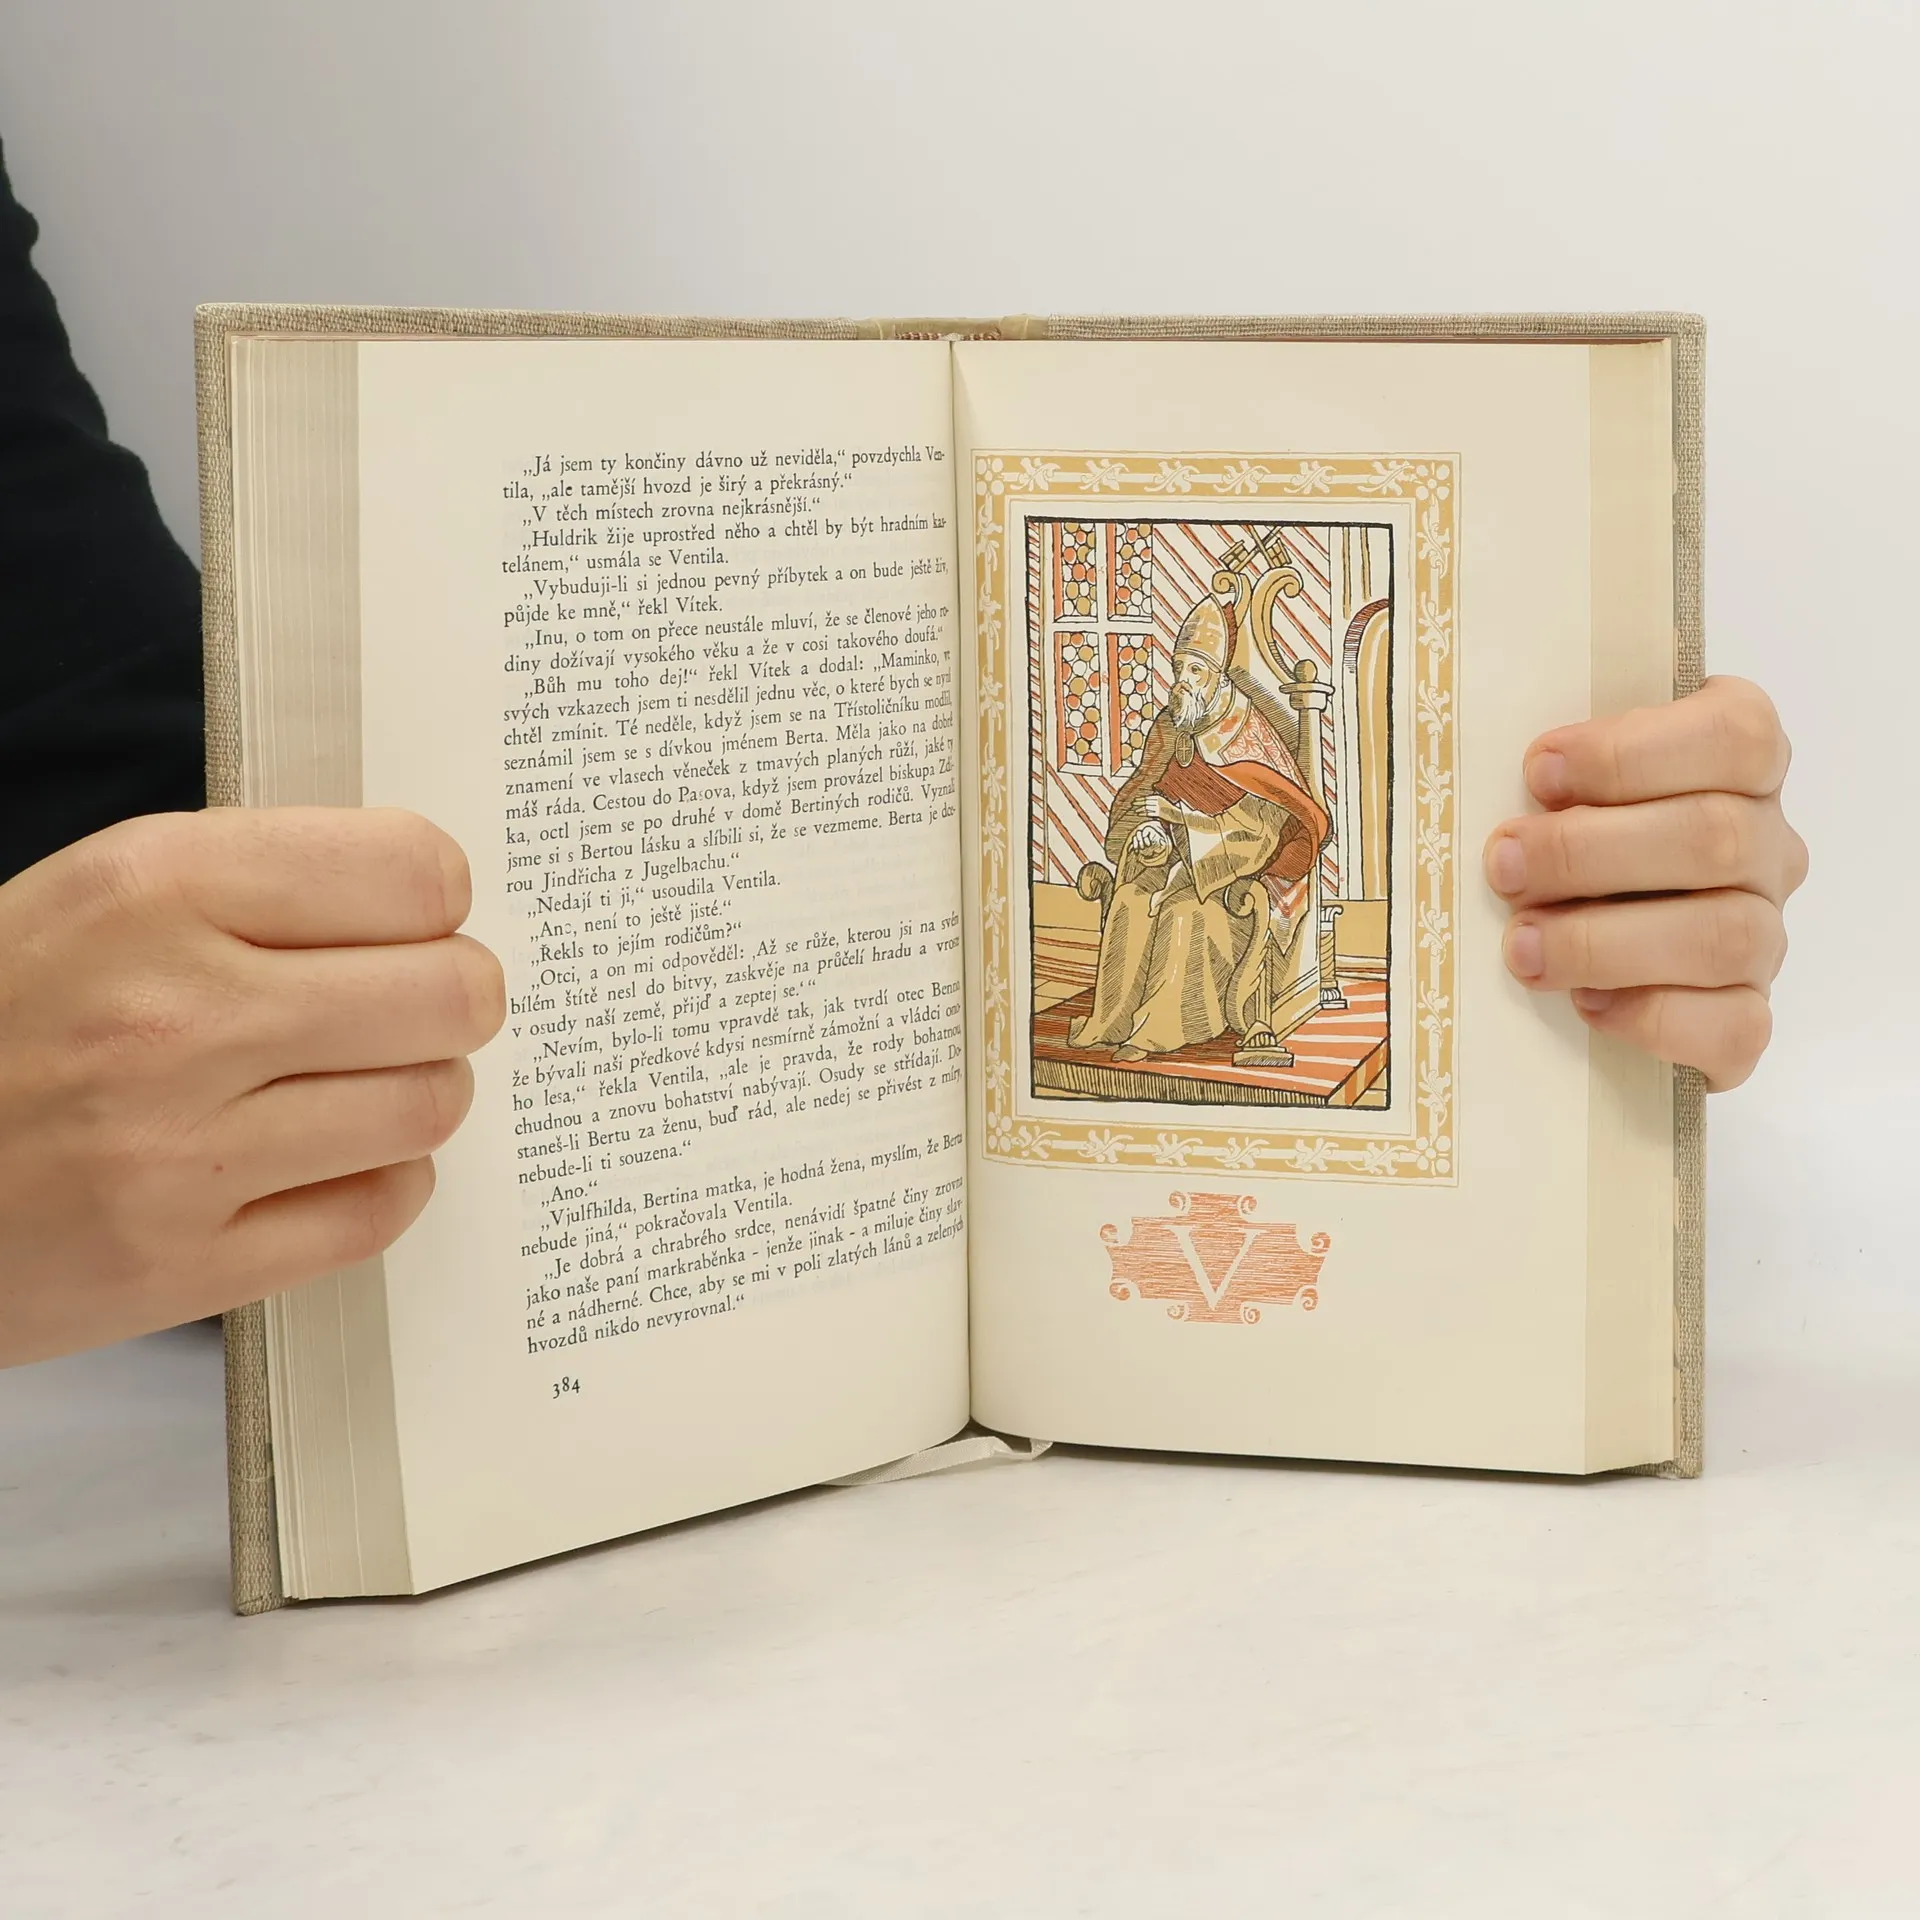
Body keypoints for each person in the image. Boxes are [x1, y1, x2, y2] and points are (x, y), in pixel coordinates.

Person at [0, 144, 1807, 1370]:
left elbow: (150, 911)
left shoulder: (1247, 684)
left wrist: (1547, 869)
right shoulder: (1196, 690)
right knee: (1149, 880)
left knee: (1189, 881)